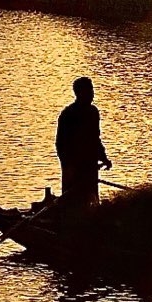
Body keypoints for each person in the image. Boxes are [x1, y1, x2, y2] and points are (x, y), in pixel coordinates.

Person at [55, 77, 111, 206]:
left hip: (90, 165)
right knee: (73, 201)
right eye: (89, 91)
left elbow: (95, 139)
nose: (92, 94)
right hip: (74, 166)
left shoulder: (93, 112)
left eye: (92, 90)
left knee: (91, 200)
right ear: (79, 93)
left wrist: (104, 158)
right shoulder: (68, 114)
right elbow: (61, 144)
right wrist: (68, 167)